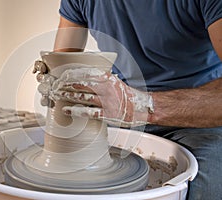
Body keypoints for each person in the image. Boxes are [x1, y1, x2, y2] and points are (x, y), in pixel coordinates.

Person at [36, 0, 222, 199]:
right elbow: (63, 63)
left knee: (206, 188)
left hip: (198, 117)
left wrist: (138, 106)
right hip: (119, 113)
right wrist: (56, 82)